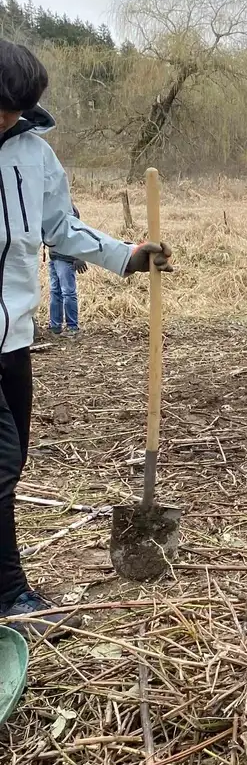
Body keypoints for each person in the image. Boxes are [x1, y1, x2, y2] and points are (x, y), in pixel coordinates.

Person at [0, 39, 172, 635]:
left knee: (12, 461)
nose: (7, 117)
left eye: (15, 108)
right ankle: (10, 596)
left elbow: (59, 228)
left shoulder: (35, 156)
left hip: (13, 336)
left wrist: (127, 255)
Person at [48, 203, 88, 338]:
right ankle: (55, 326)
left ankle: (72, 327)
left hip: (66, 258)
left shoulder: (70, 210)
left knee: (68, 292)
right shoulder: (54, 207)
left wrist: (79, 255)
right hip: (54, 256)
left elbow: (77, 232)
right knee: (55, 291)